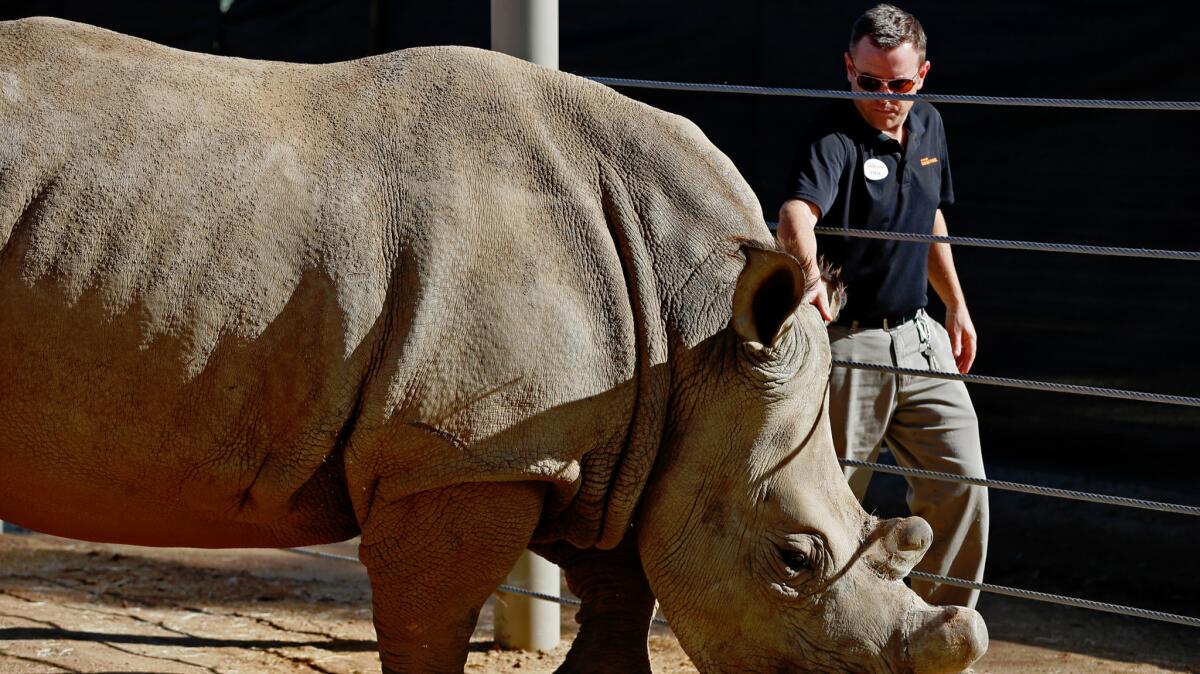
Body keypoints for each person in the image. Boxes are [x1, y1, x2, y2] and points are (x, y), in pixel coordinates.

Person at [776, 3, 987, 608]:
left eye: (899, 84)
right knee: (830, 503)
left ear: (922, 75)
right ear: (848, 69)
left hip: (920, 337)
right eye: (870, 82)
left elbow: (931, 220)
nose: (885, 96)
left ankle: (940, 631)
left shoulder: (929, 127)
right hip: (848, 343)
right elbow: (796, 213)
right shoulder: (831, 135)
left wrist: (956, 306)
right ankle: (820, 639)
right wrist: (809, 276)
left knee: (962, 485)